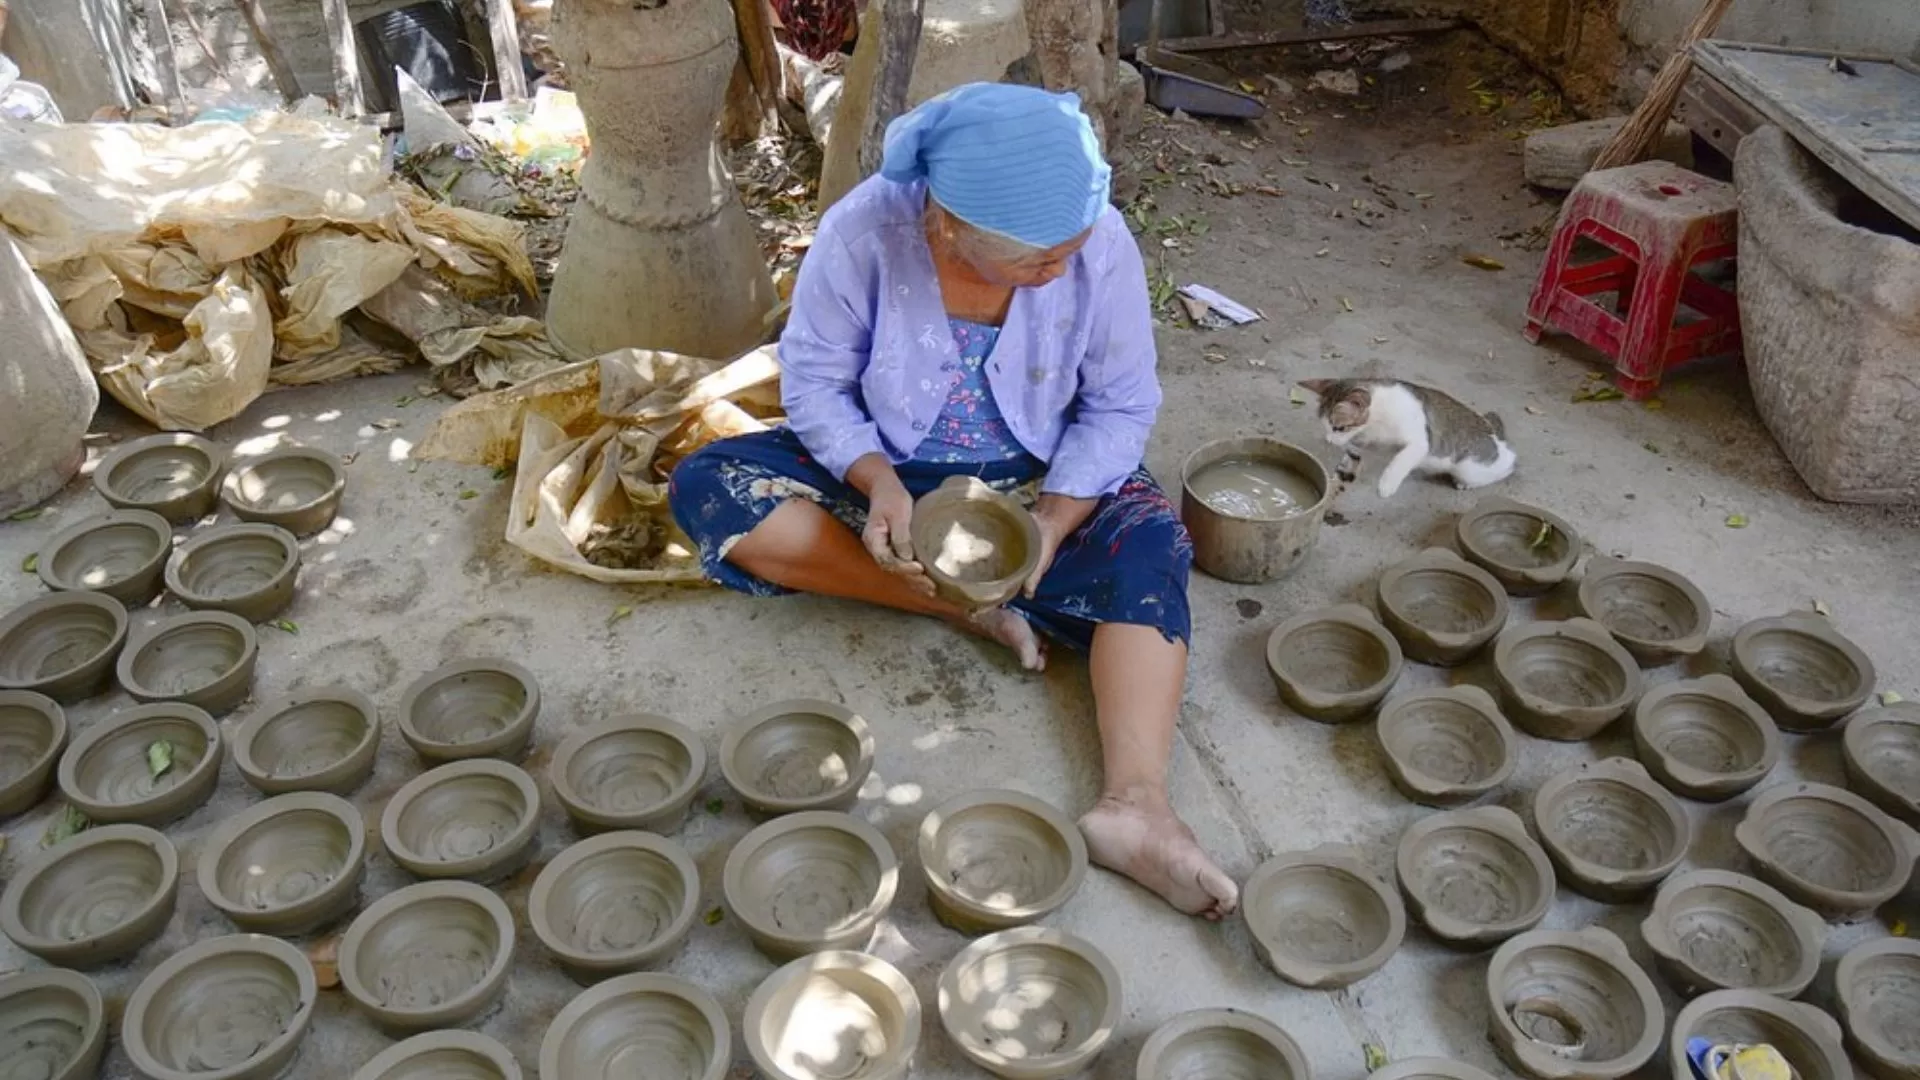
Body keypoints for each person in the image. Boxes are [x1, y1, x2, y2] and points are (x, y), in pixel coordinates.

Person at [669, 83, 1238, 919]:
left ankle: (1136, 807)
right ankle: (963, 609)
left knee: (1153, 542)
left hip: (1042, 473)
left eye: (1068, 252)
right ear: (946, 226)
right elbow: (817, 385)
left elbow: (1120, 405)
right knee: (710, 488)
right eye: (1036, 261)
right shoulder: (866, 232)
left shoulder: (1100, 241)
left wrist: (1050, 522)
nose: (1060, 270)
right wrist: (878, 484)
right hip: (893, 466)